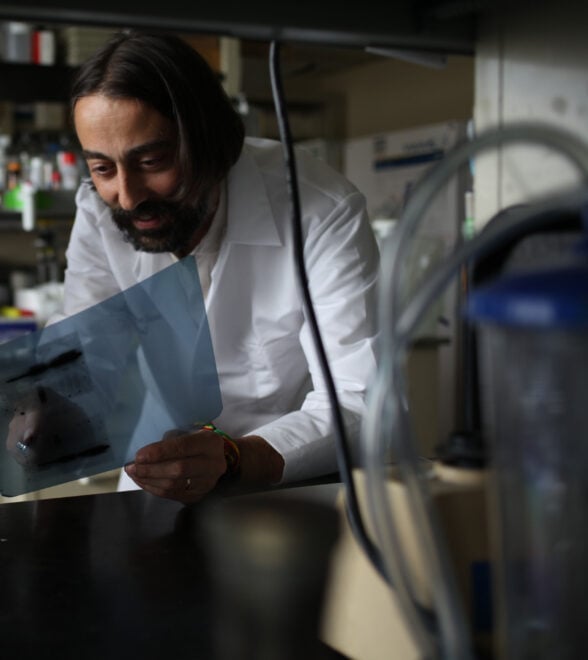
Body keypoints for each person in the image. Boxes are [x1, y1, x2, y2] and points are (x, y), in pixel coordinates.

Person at [7, 29, 379, 503]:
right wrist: (44, 402)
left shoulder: (321, 210)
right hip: (150, 482)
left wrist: (233, 457)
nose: (127, 195)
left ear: (211, 139)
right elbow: (88, 345)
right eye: (102, 168)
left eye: (153, 161)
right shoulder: (100, 211)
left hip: (286, 484)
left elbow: (360, 399)